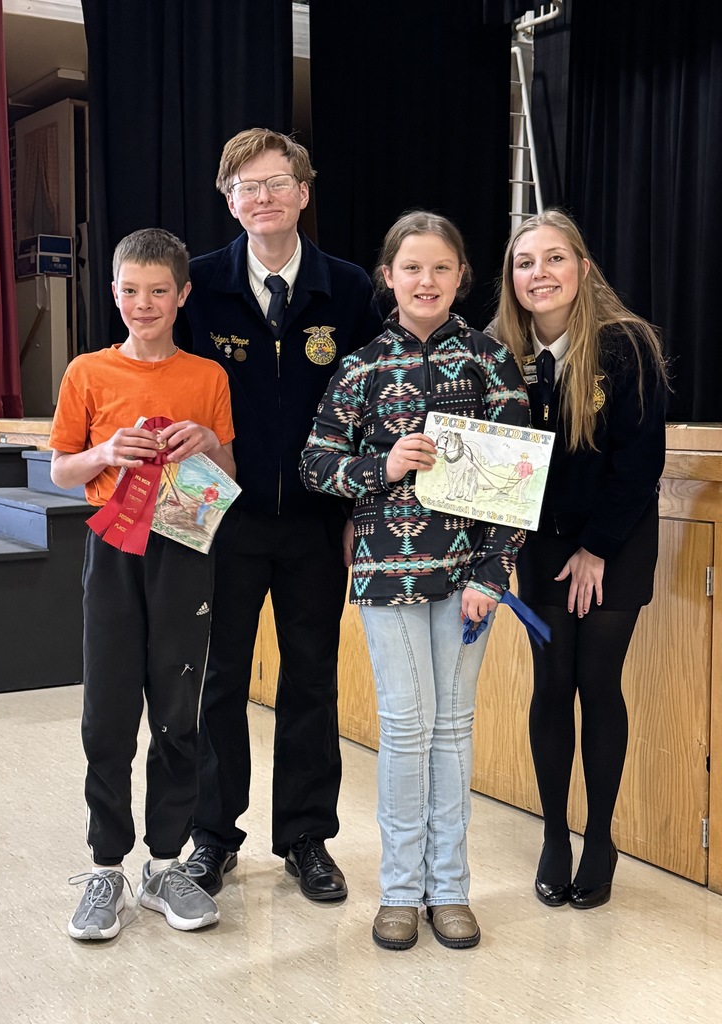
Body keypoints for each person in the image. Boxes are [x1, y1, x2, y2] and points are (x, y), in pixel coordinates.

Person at [300, 211, 529, 950]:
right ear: (388, 277)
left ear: (462, 277)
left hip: (468, 578)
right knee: (405, 727)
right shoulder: (361, 366)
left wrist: (493, 574)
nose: (425, 281)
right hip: (387, 572)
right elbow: (316, 463)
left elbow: (518, 481)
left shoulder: (491, 361)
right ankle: (401, 890)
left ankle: (449, 887)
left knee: (454, 727)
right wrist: (383, 465)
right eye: (411, 268)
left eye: (440, 268)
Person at [178, 128, 382, 903]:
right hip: (221, 520)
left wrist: (359, 508)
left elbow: (375, 410)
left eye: (275, 184)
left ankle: (306, 837)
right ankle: (211, 836)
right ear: (228, 201)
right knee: (219, 679)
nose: (261, 198)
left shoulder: (350, 289)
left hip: (316, 523)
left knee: (312, 681)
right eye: (245, 187)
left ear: (303, 191)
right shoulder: (197, 285)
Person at [50, 228, 236, 940]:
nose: (144, 303)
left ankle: (164, 863)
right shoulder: (87, 372)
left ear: (183, 295)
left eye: (159, 291)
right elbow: (62, 470)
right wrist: (104, 451)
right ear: (114, 292)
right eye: (131, 290)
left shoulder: (207, 377)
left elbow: (228, 473)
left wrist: (207, 442)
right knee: (107, 709)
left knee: (177, 709)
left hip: (185, 549)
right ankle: (107, 867)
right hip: (112, 552)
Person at [492, 208, 668, 909]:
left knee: (597, 682)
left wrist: (596, 548)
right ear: (512, 278)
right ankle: (555, 835)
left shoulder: (627, 345)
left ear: (583, 268)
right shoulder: (497, 352)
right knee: (551, 682)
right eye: (525, 262)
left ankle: (600, 837)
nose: (540, 273)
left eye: (555, 258)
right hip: (541, 544)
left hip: (614, 542)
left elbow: (639, 462)